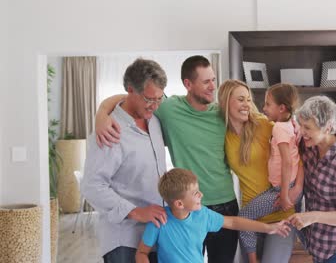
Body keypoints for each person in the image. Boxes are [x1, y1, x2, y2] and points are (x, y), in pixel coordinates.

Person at [94, 55, 239, 262]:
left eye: (214, 80)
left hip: (225, 203)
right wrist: (101, 113)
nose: (212, 87)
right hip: (186, 206)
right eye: (206, 81)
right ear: (188, 84)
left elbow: (251, 115)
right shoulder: (168, 109)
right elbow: (130, 96)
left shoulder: (222, 113)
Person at [81, 58, 168, 263]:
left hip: (156, 235)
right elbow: (92, 186)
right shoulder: (110, 131)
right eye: (149, 99)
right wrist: (135, 212)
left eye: (159, 99)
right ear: (131, 90)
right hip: (125, 240)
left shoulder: (154, 121)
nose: (155, 106)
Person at [217, 80, 303, 263]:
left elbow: (298, 154)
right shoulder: (223, 134)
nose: (247, 104)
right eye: (241, 99)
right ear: (225, 102)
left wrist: (297, 188)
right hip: (251, 218)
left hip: (281, 214)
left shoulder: (266, 125)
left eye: (248, 99)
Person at [135, 168, 290, 263]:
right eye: (196, 193)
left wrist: (268, 228)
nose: (201, 195)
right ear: (179, 204)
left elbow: (234, 223)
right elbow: (142, 253)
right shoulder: (158, 221)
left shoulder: (203, 215)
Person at [287, 96, 336, 263]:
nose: (301, 131)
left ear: (328, 128)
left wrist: (312, 216)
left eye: (307, 127)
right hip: (318, 239)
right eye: (301, 125)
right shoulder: (309, 146)